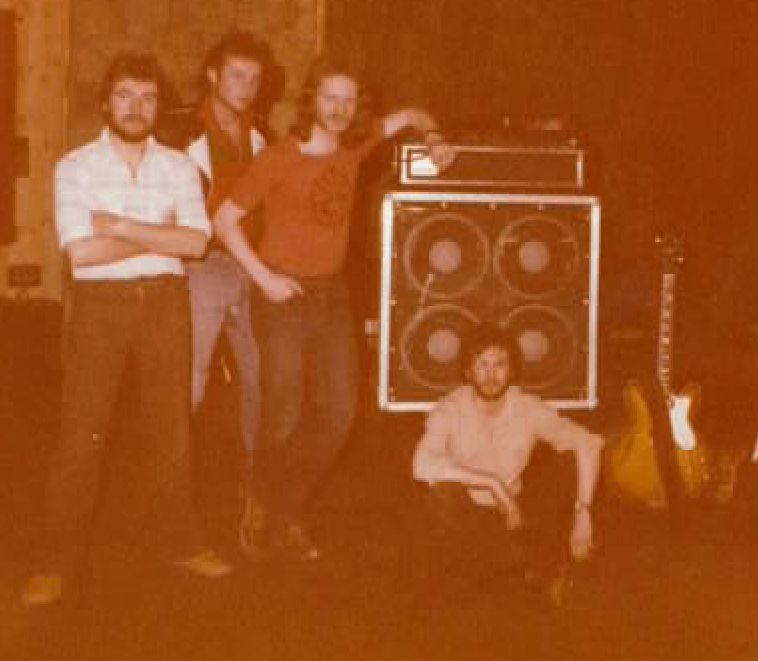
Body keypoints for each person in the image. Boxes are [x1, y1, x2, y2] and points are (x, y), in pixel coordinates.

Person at [213, 54, 454, 561]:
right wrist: (264, 278)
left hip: (332, 296)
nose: (341, 109)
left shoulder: (354, 145)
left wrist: (434, 138)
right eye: (331, 98)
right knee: (284, 411)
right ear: (312, 100)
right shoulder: (279, 157)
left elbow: (412, 114)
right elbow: (225, 220)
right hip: (283, 296)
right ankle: (266, 505)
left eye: (349, 100)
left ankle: (283, 501)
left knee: (340, 414)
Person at [20, 52, 232, 607]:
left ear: (159, 106)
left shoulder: (179, 168)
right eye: (124, 95)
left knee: (171, 431)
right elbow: (82, 254)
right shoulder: (74, 167)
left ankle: (182, 544)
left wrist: (117, 225)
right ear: (105, 103)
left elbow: (196, 243)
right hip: (100, 306)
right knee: (80, 435)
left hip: (165, 302)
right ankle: (54, 562)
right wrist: (157, 234)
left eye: (147, 97)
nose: (136, 107)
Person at [158, 30, 274, 523]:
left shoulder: (261, 132)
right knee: (193, 378)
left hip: (253, 264)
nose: (246, 87)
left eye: (254, 79)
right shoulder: (177, 128)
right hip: (202, 263)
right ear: (212, 75)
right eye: (237, 75)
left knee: (262, 377)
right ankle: (172, 499)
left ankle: (256, 490)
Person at [412, 323, 604, 592]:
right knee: (440, 493)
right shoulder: (450, 408)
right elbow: (421, 465)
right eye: (482, 365)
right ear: (468, 372)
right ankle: (506, 567)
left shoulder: (527, 406)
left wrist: (583, 512)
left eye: (500, 364)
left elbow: (589, 443)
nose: (491, 375)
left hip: (516, 515)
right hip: (468, 516)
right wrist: (492, 483)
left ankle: (523, 564)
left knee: (571, 463)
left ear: (512, 370)